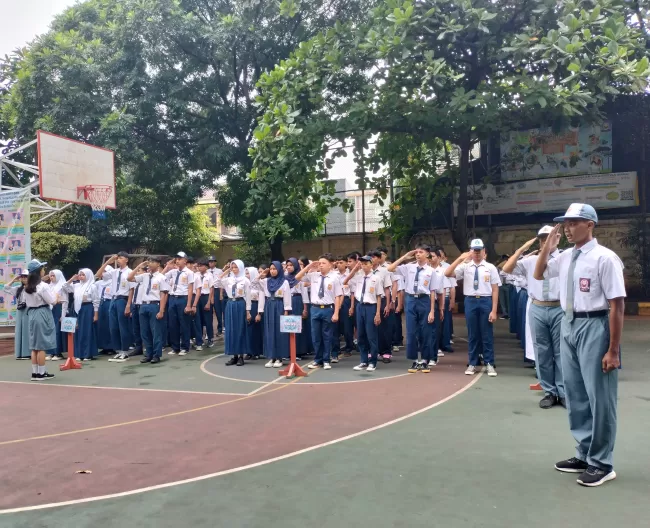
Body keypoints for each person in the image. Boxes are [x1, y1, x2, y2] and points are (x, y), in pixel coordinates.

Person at [534, 204, 625, 487]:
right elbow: (538, 274)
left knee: (600, 396)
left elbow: (617, 305)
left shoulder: (604, 258)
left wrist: (613, 349)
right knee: (575, 393)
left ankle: (602, 463)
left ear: (590, 225)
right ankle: (584, 453)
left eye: (574, 223)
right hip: (569, 324)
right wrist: (547, 247)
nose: (568, 229)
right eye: (566, 224)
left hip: (595, 324)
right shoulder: (565, 256)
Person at [503, 226, 565, 408]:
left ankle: (562, 391)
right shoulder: (531, 261)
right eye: (542, 238)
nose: (546, 241)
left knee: (561, 352)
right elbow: (506, 269)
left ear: (558, 238)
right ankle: (549, 392)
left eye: (550, 237)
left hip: (559, 308)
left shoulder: (565, 258)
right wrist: (522, 249)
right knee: (542, 352)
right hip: (537, 307)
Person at [444, 239, 500, 377]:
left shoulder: (490, 267)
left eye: (479, 250)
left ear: (484, 251)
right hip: (470, 300)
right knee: (472, 333)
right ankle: (473, 362)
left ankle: (489, 363)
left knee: (486, 333)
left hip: (485, 300)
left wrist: (494, 310)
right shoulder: (465, 266)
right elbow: (448, 273)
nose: (477, 253)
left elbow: (495, 289)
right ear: (470, 251)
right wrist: (460, 258)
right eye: (474, 250)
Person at [388, 245, 444, 372]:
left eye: (421, 252)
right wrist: (405, 257)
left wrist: (432, 311)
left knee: (425, 331)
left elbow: (433, 291)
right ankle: (414, 360)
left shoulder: (431, 271)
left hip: (424, 300)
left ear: (427, 254)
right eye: (416, 252)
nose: (418, 254)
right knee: (411, 331)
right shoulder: (409, 267)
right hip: (411, 299)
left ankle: (424, 360)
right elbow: (390, 268)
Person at [296, 254, 343, 370]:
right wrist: (309, 267)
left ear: (330, 265)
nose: (321, 265)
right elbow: (297, 277)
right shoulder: (314, 276)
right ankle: (318, 360)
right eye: (320, 263)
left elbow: (338, 296)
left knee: (327, 335)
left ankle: (326, 360)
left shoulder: (334, 278)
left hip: (327, 308)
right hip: (315, 308)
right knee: (316, 336)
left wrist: (336, 312)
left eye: (324, 263)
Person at [129, 257, 169, 364]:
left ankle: (156, 355)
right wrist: (139, 266)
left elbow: (163, 294)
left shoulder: (161, 277)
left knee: (155, 331)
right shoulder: (145, 276)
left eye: (152, 262)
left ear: (158, 264)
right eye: (149, 262)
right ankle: (148, 354)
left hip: (154, 304)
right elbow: (129, 278)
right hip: (143, 305)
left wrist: (161, 310)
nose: (150, 264)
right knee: (145, 332)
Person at [23, 259, 57, 380]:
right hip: (42, 312)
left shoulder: (27, 286)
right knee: (41, 346)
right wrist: (57, 296)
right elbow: (52, 301)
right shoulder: (43, 286)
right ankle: (41, 373)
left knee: (34, 346)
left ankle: (35, 373)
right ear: (38, 271)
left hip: (32, 313)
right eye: (42, 268)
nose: (44, 270)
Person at [96, 252, 133, 361]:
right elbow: (98, 274)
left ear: (126, 260)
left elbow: (132, 289)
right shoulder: (114, 272)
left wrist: (128, 304)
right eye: (118, 258)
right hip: (113, 299)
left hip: (123, 299)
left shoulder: (130, 272)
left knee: (123, 326)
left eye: (121, 258)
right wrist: (108, 261)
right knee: (113, 327)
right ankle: (118, 349)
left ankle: (125, 350)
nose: (118, 260)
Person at [348, 256, 382, 371]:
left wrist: (377, 313)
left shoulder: (376, 278)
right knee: (360, 335)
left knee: (371, 335)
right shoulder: (358, 277)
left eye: (366, 263)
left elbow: (379, 296)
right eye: (362, 264)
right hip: (360, 306)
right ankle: (363, 360)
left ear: (371, 265)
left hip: (371, 306)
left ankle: (373, 362)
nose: (363, 266)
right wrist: (355, 268)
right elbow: (345, 281)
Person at [214, 259, 251, 366]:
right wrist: (226, 271)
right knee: (231, 329)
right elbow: (216, 282)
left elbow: (248, 296)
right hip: (230, 304)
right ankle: (234, 356)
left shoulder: (245, 280)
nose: (234, 269)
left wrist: (248, 311)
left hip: (240, 304)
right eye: (233, 267)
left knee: (240, 329)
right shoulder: (228, 280)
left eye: (236, 267)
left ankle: (241, 356)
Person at [258, 261, 291, 368]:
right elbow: (253, 283)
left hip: (279, 305)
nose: (272, 271)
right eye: (271, 269)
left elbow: (287, 297)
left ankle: (279, 358)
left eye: (274, 269)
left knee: (279, 332)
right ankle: (271, 356)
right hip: (269, 306)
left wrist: (286, 311)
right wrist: (262, 274)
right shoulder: (266, 281)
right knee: (270, 331)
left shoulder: (284, 282)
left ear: (279, 269)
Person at [62, 268, 99, 361]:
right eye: (80, 275)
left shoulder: (92, 286)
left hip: (87, 308)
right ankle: (78, 354)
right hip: (76, 309)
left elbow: (96, 301)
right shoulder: (76, 285)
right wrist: (72, 279)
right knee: (77, 331)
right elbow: (65, 287)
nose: (81, 277)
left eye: (83, 275)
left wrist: (95, 314)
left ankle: (87, 354)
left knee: (87, 331)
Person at [163, 252, 195, 356]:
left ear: (185, 260)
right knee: (173, 324)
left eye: (180, 259)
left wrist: (189, 305)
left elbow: (190, 289)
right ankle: (175, 347)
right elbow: (161, 276)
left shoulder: (189, 273)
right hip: (173, 298)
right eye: (176, 259)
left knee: (184, 323)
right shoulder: (173, 272)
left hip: (183, 298)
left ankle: (185, 347)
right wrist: (168, 266)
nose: (177, 261)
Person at [369, 249, 393, 363]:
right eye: (370, 257)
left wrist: (388, 304)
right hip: (370, 301)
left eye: (374, 257)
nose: (372, 259)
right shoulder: (366, 271)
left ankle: (386, 352)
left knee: (384, 328)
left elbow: (387, 289)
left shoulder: (384, 271)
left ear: (379, 259)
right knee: (372, 327)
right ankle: (374, 351)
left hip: (382, 300)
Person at [285, 258, 309, 359]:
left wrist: (305, 308)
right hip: (287, 301)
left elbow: (304, 293)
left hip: (297, 300)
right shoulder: (285, 278)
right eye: (287, 265)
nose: (288, 267)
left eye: (291, 265)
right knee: (287, 325)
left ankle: (298, 351)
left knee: (297, 325)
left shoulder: (300, 277)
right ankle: (288, 351)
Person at [4, 270, 30, 360]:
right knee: (19, 331)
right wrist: (14, 280)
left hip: (28, 310)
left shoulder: (32, 288)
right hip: (20, 310)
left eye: (25, 277)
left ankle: (27, 353)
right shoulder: (18, 288)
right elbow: (6, 287)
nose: (24, 278)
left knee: (27, 331)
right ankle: (19, 353)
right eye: (22, 277)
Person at [334, 256, 355, 357]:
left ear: (346, 263)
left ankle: (349, 347)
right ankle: (336, 348)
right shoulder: (334, 275)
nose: (339, 264)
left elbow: (352, 292)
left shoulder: (350, 275)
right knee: (335, 326)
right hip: (335, 300)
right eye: (337, 263)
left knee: (347, 326)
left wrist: (352, 306)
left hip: (346, 300)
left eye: (341, 262)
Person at [192, 259, 215, 349]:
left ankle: (210, 338)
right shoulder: (195, 275)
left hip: (205, 297)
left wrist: (209, 302)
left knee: (208, 319)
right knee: (198, 319)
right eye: (198, 266)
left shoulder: (209, 276)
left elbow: (211, 289)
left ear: (205, 267)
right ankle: (199, 340)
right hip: (197, 297)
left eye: (201, 266)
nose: (199, 267)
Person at [46, 270, 68, 360]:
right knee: (50, 331)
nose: (51, 278)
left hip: (59, 309)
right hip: (50, 309)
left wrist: (63, 315)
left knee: (57, 331)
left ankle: (58, 353)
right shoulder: (49, 286)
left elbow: (65, 301)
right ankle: (51, 352)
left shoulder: (62, 286)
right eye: (50, 276)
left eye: (53, 276)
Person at [245, 267, 263, 360]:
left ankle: (257, 352)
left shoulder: (259, 284)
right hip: (247, 307)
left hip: (255, 306)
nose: (246, 275)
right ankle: (249, 351)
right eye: (245, 273)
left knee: (256, 330)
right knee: (248, 331)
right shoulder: (245, 284)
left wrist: (259, 313)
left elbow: (261, 299)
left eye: (248, 273)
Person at [96, 265, 114, 355]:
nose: (103, 273)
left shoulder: (113, 282)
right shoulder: (98, 283)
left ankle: (111, 346)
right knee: (101, 325)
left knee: (109, 324)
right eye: (103, 271)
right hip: (100, 303)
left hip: (109, 302)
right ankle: (103, 346)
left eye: (105, 271)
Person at [208, 256, 224, 338]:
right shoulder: (207, 271)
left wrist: (221, 294)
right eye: (209, 261)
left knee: (218, 311)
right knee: (209, 311)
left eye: (212, 261)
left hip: (217, 290)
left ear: (215, 262)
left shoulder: (219, 271)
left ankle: (220, 329)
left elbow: (221, 283)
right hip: (208, 291)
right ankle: (209, 331)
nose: (210, 263)